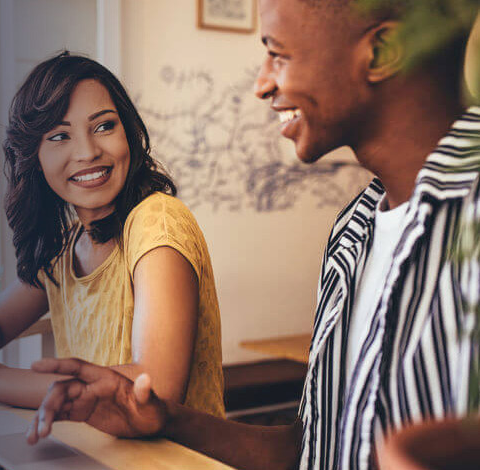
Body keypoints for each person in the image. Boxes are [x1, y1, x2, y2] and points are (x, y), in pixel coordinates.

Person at [26, 2, 480, 470]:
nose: (263, 83)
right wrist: (165, 419)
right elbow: (313, 449)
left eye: (277, 54)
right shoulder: (354, 229)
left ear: (383, 50)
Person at [0, 52, 226, 417]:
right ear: (33, 158)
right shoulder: (67, 247)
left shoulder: (157, 221)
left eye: (104, 126)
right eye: (59, 136)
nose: (87, 152)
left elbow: (157, 387)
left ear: (128, 133)